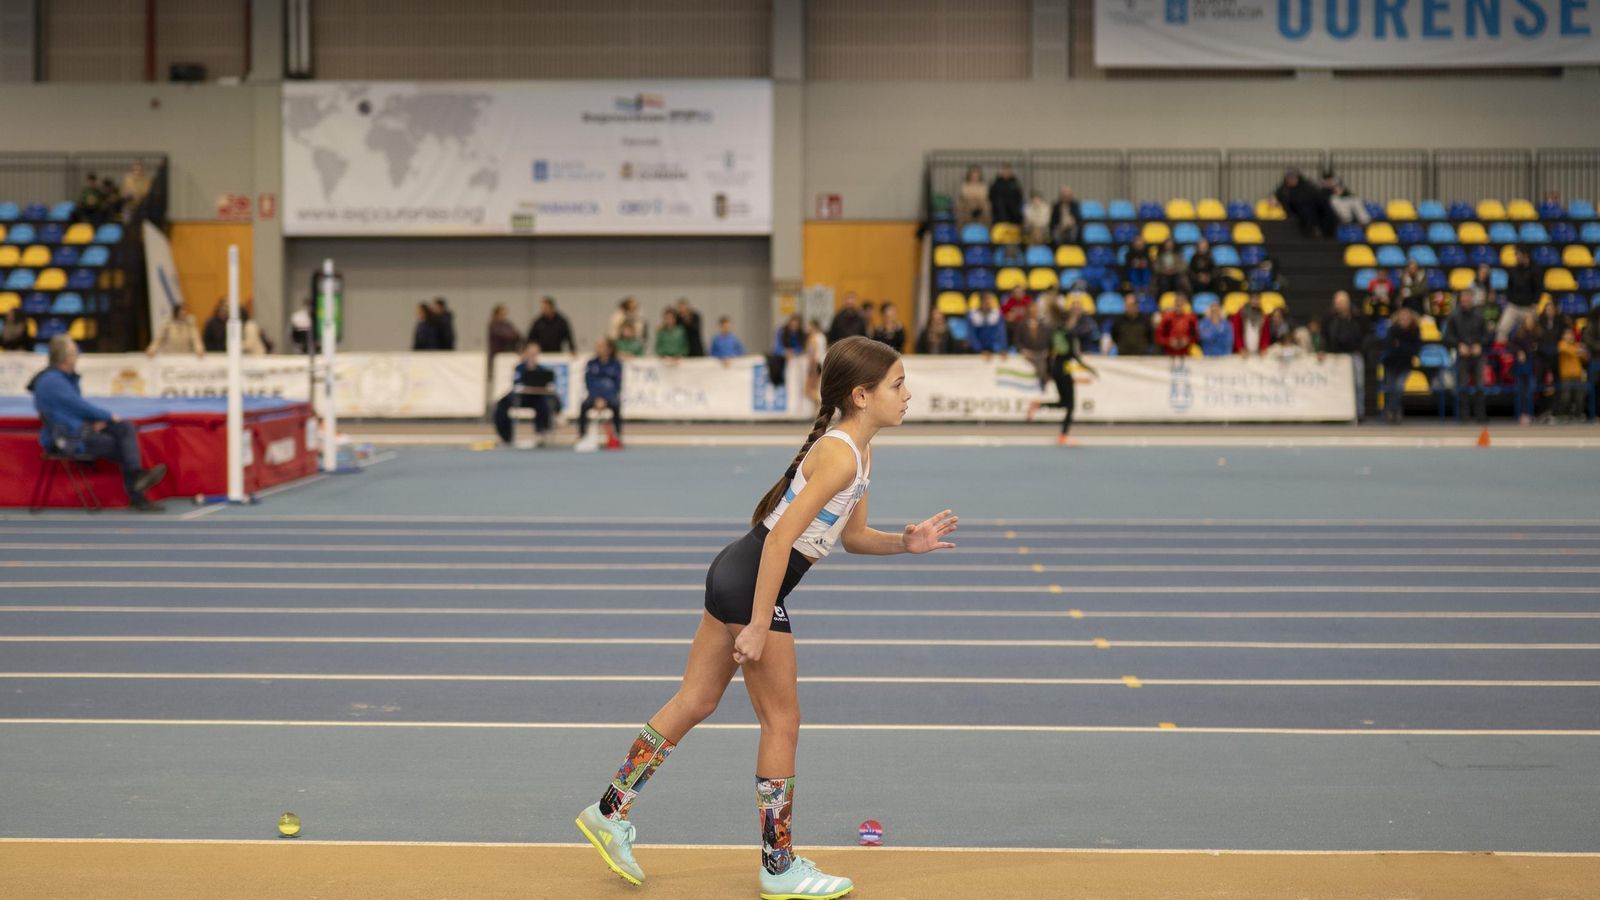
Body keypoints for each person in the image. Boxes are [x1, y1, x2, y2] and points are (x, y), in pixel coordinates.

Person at [574, 336, 957, 900]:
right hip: (754, 578)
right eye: (897, 385)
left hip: (736, 571)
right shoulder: (840, 453)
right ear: (861, 395)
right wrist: (758, 624)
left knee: (696, 701)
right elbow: (781, 538)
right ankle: (778, 864)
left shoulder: (859, 452)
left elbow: (850, 538)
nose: (907, 395)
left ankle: (609, 810)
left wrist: (906, 542)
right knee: (783, 722)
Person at [28, 335, 167, 512]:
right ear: (66, 357)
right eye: (74, 352)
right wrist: (105, 417)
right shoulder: (52, 382)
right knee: (121, 443)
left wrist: (91, 422)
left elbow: (70, 410)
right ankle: (137, 488)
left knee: (125, 428)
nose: (77, 356)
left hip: (77, 430)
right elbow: (77, 407)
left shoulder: (61, 379)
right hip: (68, 438)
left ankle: (137, 480)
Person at [1027, 305, 1098, 446]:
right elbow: (1074, 355)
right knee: (1070, 406)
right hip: (1065, 370)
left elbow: (1048, 353)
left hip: (1056, 369)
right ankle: (1063, 435)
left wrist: (1048, 372)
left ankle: (1038, 405)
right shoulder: (1069, 334)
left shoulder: (1055, 333)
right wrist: (1089, 368)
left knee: (1063, 403)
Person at [493, 344, 558, 446]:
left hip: (535, 398)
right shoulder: (519, 368)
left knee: (544, 403)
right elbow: (516, 383)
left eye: (534, 355)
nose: (532, 357)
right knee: (501, 404)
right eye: (530, 354)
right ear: (526, 354)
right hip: (520, 397)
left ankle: (541, 432)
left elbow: (548, 385)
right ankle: (506, 435)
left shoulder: (542, 370)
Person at [1442, 290, 1489, 423]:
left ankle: (1481, 415)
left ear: (1472, 300)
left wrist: (1479, 345)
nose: (1466, 302)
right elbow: (1447, 337)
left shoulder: (1480, 316)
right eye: (1463, 300)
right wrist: (1459, 345)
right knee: (1462, 385)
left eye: (1468, 299)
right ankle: (1464, 416)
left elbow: (1487, 335)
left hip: (1477, 355)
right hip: (1462, 355)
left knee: (1480, 385)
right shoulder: (1454, 316)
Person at [1321, 292, 1368, 415]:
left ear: (1348, 303)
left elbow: (1366, 334)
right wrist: (1323, 350)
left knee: (1358, 384)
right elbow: (1324, 335)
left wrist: (1362, 348)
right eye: (1337, 303)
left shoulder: (1358, 316)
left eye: (1342, 303)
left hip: (1354, 352)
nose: (1339, 306)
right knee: (1337, 385)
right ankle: (1338, 412)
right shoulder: (1329, 317)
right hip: (1336, 355)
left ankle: (1359, 413)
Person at [577, 337, 623, 449]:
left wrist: (605, 399)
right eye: (597, 346)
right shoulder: (591, 363)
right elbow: (589, 383)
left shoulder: (616, 364)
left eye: (602, 346)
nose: (599, 348)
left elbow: (617, 385)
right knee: (584, 406)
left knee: (616, 405)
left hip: (609, 396)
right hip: (594, 396)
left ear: (609, 349)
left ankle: (617, 435)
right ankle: (582, 435)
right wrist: (596, 398)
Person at [1381, 308, 1422, 424]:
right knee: (1390, 388)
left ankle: (1390, 410)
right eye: (1402, 318)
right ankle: (1395, 412)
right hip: (1391, 364)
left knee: (1398, 388)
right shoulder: (1392, 330)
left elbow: (1415, 350)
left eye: (1406, 318)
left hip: (1406, 365)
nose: (1404, 320)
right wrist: (1403, 347)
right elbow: (1389, 346)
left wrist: (1400, 345)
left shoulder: (1415, 331)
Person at [1274, 169, 1335, 238]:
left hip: (1313, 209)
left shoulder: (1306, 187)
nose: (1292, 181)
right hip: (1297, 211)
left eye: (1293, 178)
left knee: (1327, 211)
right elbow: (1280, 199)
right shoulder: (1284, 190)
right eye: (1289, 178)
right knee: (1307, 211)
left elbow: (1318, 198)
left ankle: (1326, 233)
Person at [1507, 310, 1539, 425]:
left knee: (1530, 391)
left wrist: (1536, 349)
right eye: (1527, 320)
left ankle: (1530, 413)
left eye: (1531, 320)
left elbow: (1542, 348)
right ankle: (1522, 414)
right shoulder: (1519, 335)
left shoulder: (1537, 334)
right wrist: (1519, 352)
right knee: (1522, 391)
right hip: (1521, 367)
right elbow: (1510, 345)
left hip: (1534, 367)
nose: (1529, 322)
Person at [1499, 250, 1539, 342]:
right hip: (1514, 306)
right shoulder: (1513, 270)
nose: (1517, 258)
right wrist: (1511, 299)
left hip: (1528, 307)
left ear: (1525, 255)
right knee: (1502, 329)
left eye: (1519, 255)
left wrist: (1535, 302)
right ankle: (1501, 353)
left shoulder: (1535, 271)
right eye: (1516, 255)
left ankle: (1534, 351)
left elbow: (1539, 288)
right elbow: (1509, 288)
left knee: (1534, 331)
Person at [1556, 326, 1590, 421]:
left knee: (1580, 397)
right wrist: (1577, 351)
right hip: (1566, 377)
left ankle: (1577, 415)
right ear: (1563, 336)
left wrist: (1582, 352)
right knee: (1566, 397)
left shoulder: (1577, 345)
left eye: (1570, 334)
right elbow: (1564, 349)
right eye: (1567, 335)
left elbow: (1585, 358)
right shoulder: (1561, 344)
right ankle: (1563, 415)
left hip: (1578, 376)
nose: (1569, 336)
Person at [1014, 315, 1052, 386]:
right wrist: (1023, 350)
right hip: (1028, 354)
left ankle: (1044, 382)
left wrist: (1048, 350)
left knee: (1043, 367)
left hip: (1042, 354)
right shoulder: (1022, 326)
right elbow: (1017, 340)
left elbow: (1050, 340)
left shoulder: (1044, 326)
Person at [967, 293, 1008, 359]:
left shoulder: (996, 314)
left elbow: (1001, 333)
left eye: (990, 302)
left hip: (994, 349)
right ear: (981, 301)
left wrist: (1002, 348)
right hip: (977, 350)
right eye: (986, 302)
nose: (988, 303)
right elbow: (971, 334)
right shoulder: (973, 315)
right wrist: (980, 350)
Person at [803, 319, 827, 408]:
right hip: (821, 363)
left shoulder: (813, 337)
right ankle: (816, 411)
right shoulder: (822, 336)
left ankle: (822, 401)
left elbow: (813, 352)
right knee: (816, 388)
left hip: (815, 363)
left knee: (808, 390)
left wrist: (812, 366)